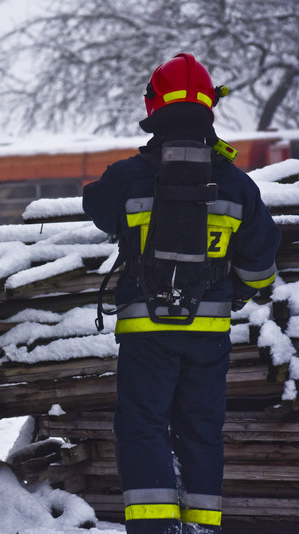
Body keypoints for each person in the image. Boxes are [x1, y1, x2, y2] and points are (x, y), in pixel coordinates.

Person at [83, 54, 280, 534]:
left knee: (143, 427)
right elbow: (259, 270)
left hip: (145, 331)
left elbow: (96, 206)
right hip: (209, 335)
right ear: (210, 105)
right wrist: (234, 290)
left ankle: (153, 529)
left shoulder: (129, 177)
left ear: (154, 105)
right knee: (200, 431)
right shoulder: (237, 185)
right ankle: (201, 526)